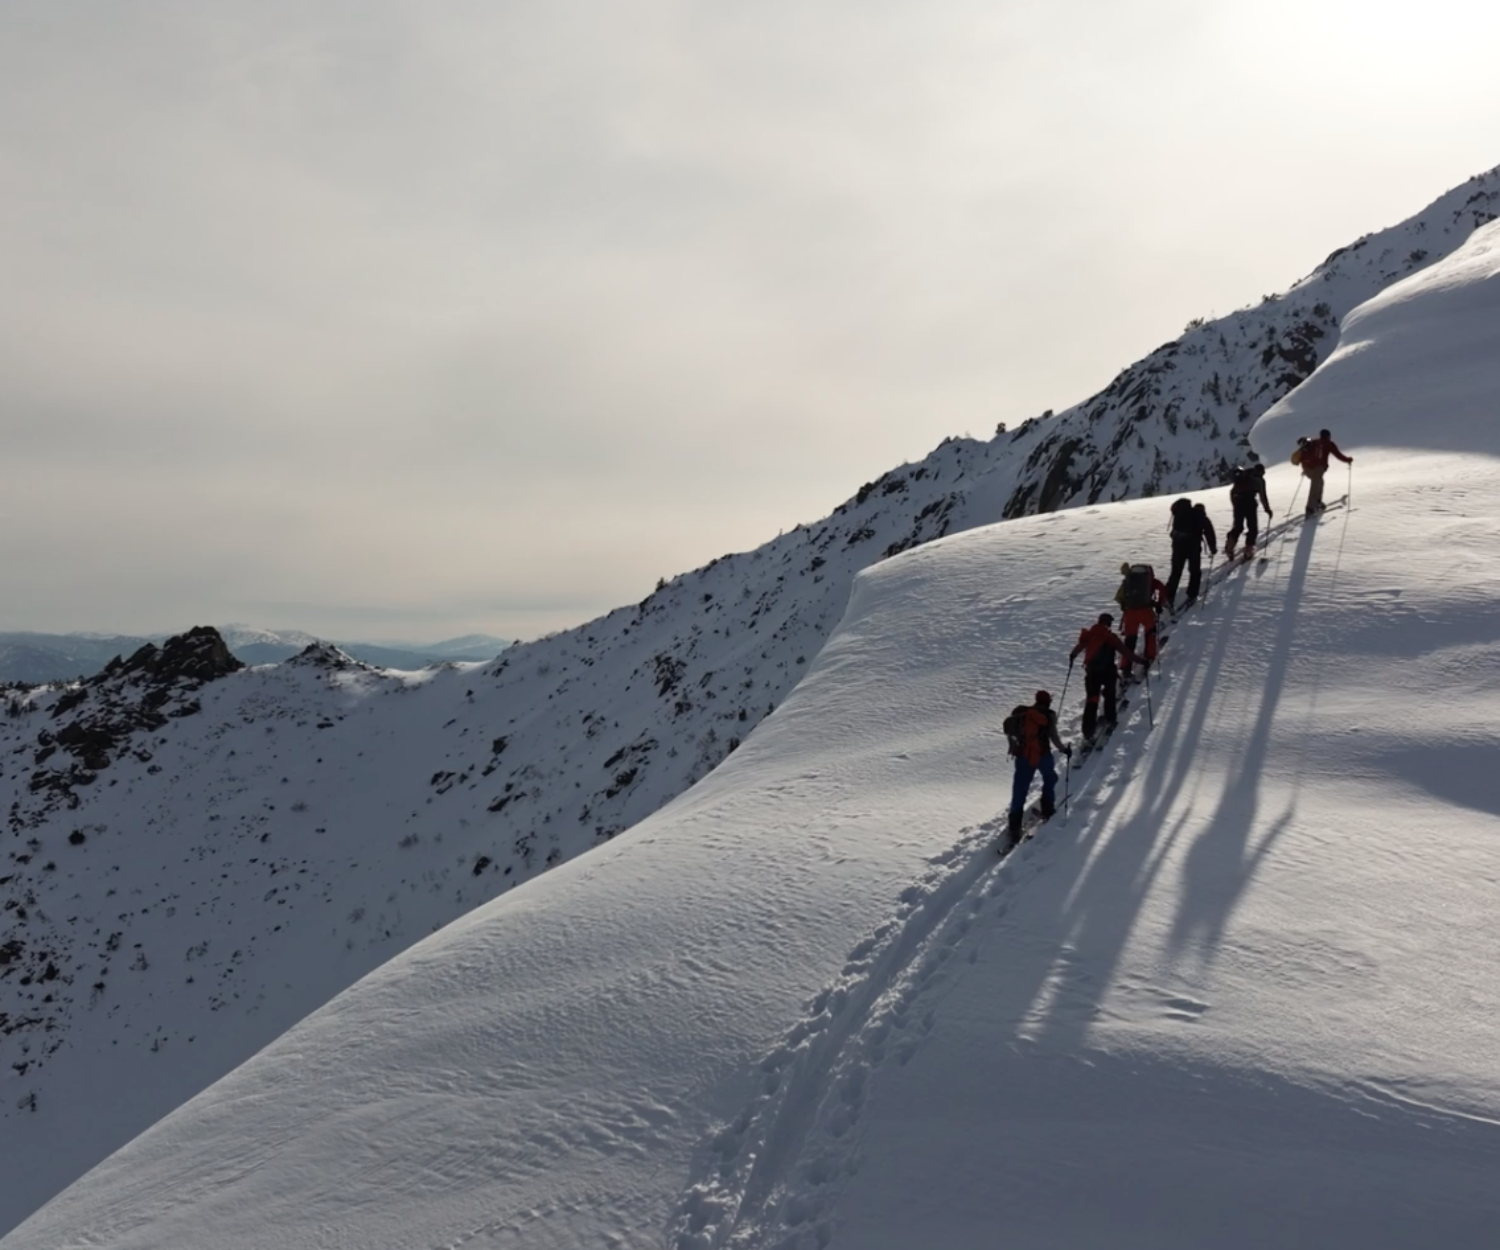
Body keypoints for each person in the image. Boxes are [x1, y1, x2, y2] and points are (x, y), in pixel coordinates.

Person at [1003, 690, 1070, 840]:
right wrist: (1064, 749)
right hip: (1042, 755)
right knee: (1050, 778)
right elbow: (1053, 735)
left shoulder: (1021, 713)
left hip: (1023, 758)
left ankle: (1014, 826)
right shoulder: (1048, 715)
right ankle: (1047, 808)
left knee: (1020, 789)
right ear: (1048, 701)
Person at [1069, 612, 1140, 741]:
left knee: (1092, 700)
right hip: (1108, 673)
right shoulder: (1110, 637)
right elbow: (1126, 652)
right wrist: (1142, 661)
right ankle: (1110, 720)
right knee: (1109, 696)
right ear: (1108, 623)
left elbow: (1077, 650)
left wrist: (1072, 657)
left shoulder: (1089, 635)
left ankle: (1088, 731)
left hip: (1092, 673)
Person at [1114, 562, 1165, 677]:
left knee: (1129, 640)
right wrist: (1158, 604)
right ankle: (1149, 656)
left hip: (1130, 613)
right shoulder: (1151, 581)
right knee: (1150, 632)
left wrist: (1125, 606)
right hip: (1145, 612)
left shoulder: (1128, 581)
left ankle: (1125, 666)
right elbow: (1162, 590)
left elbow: (1118, 597)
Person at [1292, 429, 1353, 516]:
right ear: (1328, 436)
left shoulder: (1314, 442)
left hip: (1306, 468)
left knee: (1320, 483)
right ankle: (1310, 508)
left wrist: (1305, 468)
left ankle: (1318, 502)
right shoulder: (1329, 444)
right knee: (1315, 486)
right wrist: (1348, 460)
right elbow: (1338, 455)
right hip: (1318, 467)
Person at [1163, 498, 1208, 611]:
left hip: (1178, 545)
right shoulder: (1199, 515)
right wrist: (1213, 548)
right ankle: (1192, 594)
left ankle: (1168, 596)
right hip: (1192, 546)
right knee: (1194, 571)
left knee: (1176, 572)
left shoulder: (1180, 514)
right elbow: (1209, 530)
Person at [1224, 463, 1273, 559]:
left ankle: (1229, 547)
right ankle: (1249, 550)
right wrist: (1267, 509)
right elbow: (1263, 496)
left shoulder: (1244, 474)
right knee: (1252, 527)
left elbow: (1232, 491)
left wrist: (1235, 505)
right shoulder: (1260, 480)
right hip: (1250, 502)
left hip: (1238, 501)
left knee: (1238, 527)